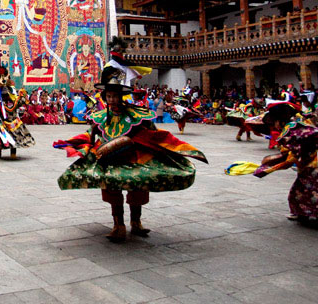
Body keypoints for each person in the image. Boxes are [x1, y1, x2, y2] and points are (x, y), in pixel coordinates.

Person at [55, 65, 208, 242]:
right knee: (112, 188)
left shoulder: (136, 114)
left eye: (115, 96)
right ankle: (118, 224)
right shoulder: (100, 117)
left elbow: (152, 132)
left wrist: (152, 144)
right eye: (109, 96)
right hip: (109, 159)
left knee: (138, 186)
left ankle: (136, 222)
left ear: (121, 96)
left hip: (133, 157)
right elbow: (91, 135)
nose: (112, 100)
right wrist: (77, 145)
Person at [0, 67, 34, 159]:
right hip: (2, 123)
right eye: (3, 95)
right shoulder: (1, 104)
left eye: (6, 95)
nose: (5, 96)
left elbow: (24, 101)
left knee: (13, 138)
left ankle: (11, 154)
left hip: (12, 123)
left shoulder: (13, 102)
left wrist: (22, 94)